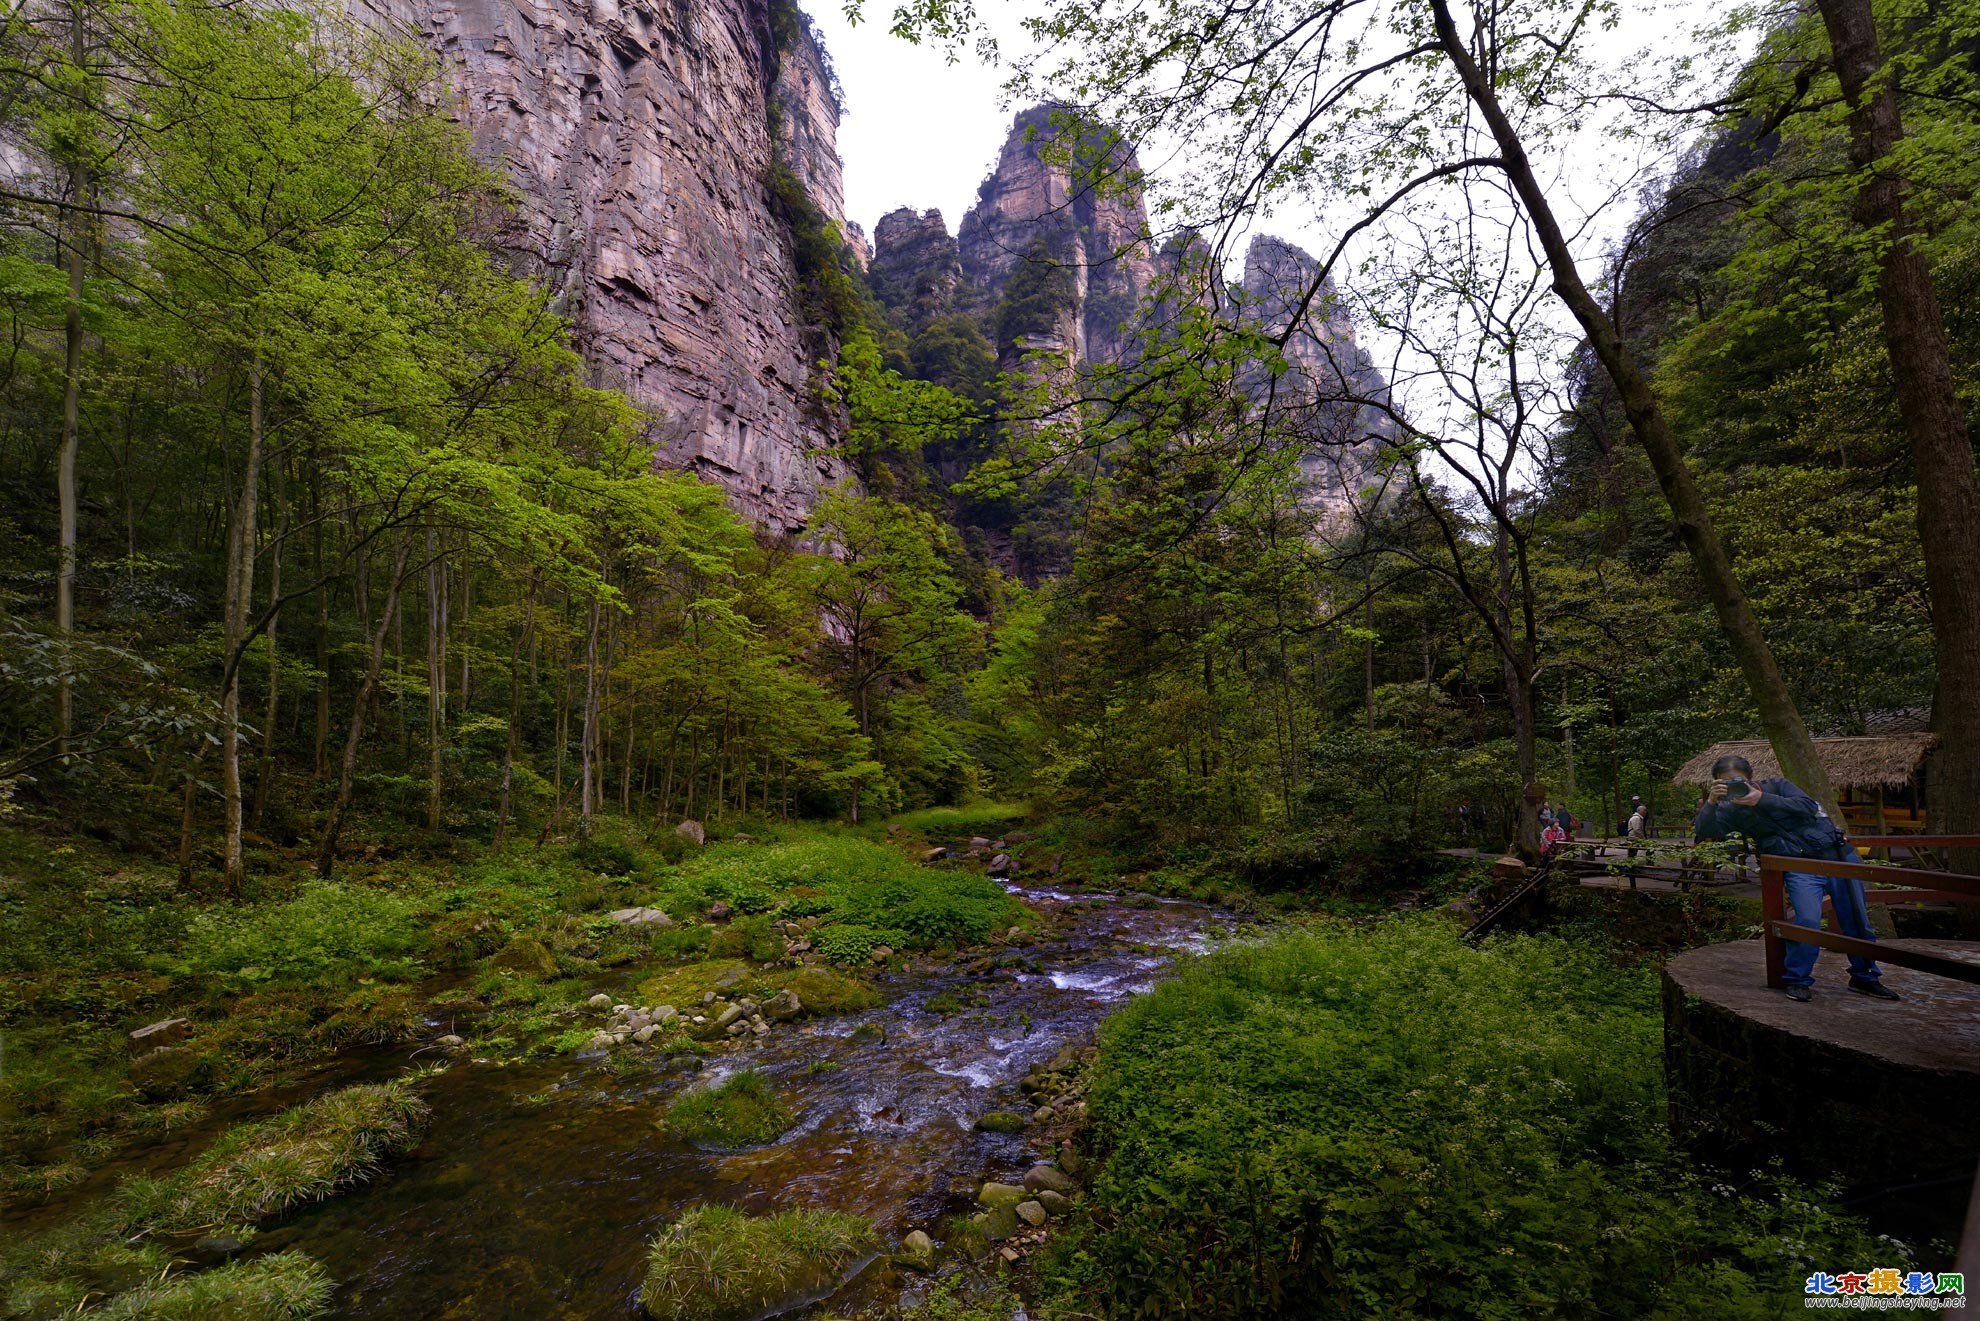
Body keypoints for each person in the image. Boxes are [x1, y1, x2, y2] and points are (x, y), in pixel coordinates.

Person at [1692, 754, 1898, 1003]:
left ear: (1750, 778)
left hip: (1838, 857)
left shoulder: (1777, 786)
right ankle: (1798, 980)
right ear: (1716, 784)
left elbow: (1808, 806)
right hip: (1798, 866)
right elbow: (1705, 833)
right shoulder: (1728, 809)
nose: (1734, 786)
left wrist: (1761, 800)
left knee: (1856, 919)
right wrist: (1712, 802)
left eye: (1738, 780)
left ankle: (1865, 978)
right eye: (1725, 782)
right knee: (1806, 922)